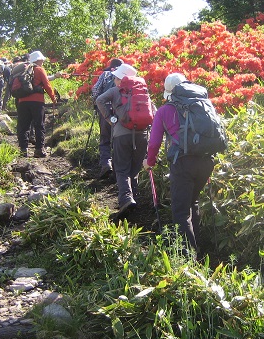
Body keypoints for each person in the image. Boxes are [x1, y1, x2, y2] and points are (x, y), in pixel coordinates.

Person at [143, 73, 215, 253]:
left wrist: (149, 162)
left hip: (183, 163)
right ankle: (197, 246)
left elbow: (154, 143)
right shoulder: (202, 104)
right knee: (192, 203)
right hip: (206, 161)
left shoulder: (165, 110)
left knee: (181, 212)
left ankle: (188, 257)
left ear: (168, 92)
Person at [95, 63, 150, 214]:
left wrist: (110, 118)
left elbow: (99, 100)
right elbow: (154, 112)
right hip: (142, 135)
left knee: (121, 169)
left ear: (120, 79)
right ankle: (135, 197)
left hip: (121, 134)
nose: (114, 81)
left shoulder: (115, 90)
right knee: (135, 168)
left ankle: (126, 199)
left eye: (116, 78)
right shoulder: (143, 91)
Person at [16, 50, 57, 158]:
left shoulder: (23, 70)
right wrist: (53, 98)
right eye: (42, 60)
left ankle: (23, 150)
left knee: (24, 126)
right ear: (38, 60)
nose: (42, 62)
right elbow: (47, 85)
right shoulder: (39, 69)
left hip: (22, 101)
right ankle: (39, 150)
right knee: (39, 125)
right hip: (37, 102)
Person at [91, 58, 123, 178]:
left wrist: (97, 104)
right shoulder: (125, 76)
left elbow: (95, 91)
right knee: (118, 140)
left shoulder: (105, 74)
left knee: (105, 139)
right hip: (120, 113)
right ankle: (117, 170)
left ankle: (106, 164)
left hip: (105, 111)